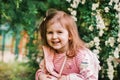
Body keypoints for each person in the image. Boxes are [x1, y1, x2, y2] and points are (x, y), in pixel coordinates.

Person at [35, 9, 101, 80]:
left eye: (59, 32)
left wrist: (69, 78)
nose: (54, 37)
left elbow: (90, 78)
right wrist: (40, 76)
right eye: (50, 32)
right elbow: (43, 70)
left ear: (70, 35)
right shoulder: (50, 53)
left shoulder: (82, 56)